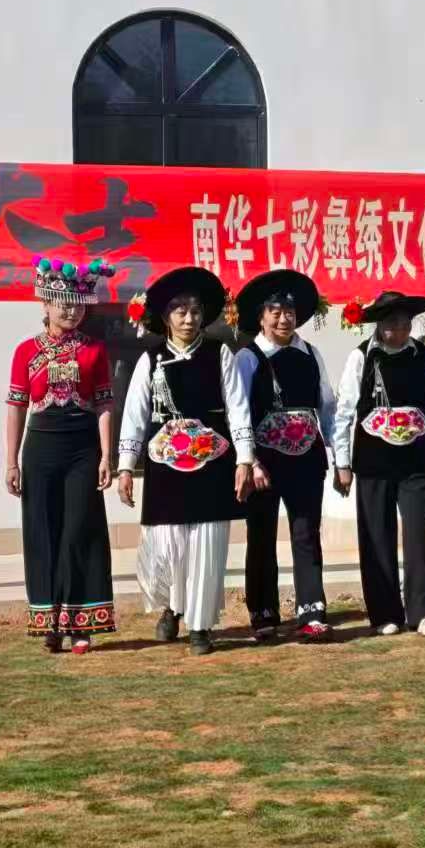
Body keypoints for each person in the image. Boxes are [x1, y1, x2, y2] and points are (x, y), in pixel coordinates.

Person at [117, 267, 257, 656]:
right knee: (170, 543)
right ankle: (172, 607)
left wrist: (245, 459)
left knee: (207, 543)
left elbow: (238, 407)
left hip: (212, 459)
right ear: (166, 316)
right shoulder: (151, 359)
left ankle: (200, 625)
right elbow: (134, 414)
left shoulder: (219, 353)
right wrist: (125, 466)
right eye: (180, 310)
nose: (188, 318)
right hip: (164, 463)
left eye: (195, 310)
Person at [4, 256, 118, 654]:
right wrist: (11, 461)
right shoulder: (25, 351)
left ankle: (81, 623)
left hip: (83, 448)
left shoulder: (95, 350)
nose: (71, 311)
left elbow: (104, 404)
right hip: (41, 448)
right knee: (43, 531)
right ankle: (49, 622)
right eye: (63, 304)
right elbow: (16, 407)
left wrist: (106, 455)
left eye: (77, 305)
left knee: (79, 531)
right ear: (46, 304)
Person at [332, 291, 425, 638]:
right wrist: (343, 463)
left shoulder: (424, 355)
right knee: (376, 534)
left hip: (416, 459)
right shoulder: (361, 357)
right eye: (391, 325)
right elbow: (344, 413)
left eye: (404, 325)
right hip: (373, 460)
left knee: (418, 530)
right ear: (378, 325)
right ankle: (385, 612)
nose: (398, 332)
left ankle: (423, 611)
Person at [233, 269, 337, 642]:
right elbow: (238, 411)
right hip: (265, 461)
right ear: (261, 317)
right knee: (261, 534)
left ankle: (312, 610)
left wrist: (340, 457)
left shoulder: (310, 354)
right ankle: (263, 612)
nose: (283, 319)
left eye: (289, 312)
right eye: (274, 312)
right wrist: (250, 461)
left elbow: (328, 407)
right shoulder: (247, 357)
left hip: (307, 457)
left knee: (306, 532)